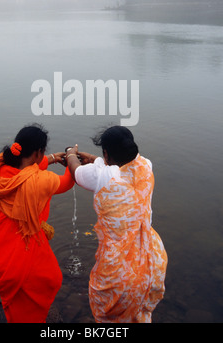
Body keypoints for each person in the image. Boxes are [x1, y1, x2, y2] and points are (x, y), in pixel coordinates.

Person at [65, 125, 167, 323]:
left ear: (106, 153)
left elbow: (76, 172)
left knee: (109, 318)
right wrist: (96, 159)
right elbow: (118, 167)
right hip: (151, 258)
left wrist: (71, 153)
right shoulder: (146, 165)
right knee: (139, 314)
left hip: (118, 268)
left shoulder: (103, 177)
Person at [0, 124, 75, 323]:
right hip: (23, 247)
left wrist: (51, 159)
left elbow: (24, 171)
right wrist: (72, 158)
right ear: (38, 152)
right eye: (43, 153)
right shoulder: (40, 182)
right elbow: (67, 181)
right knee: (51, 280)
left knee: (15, 299)